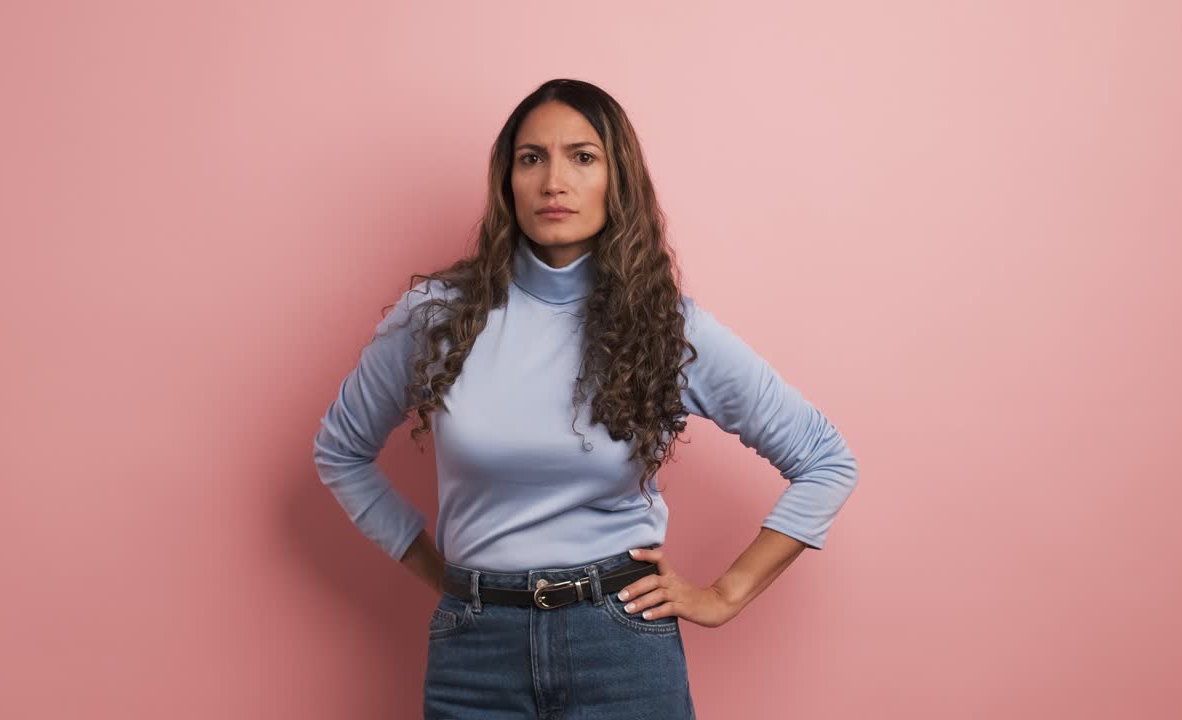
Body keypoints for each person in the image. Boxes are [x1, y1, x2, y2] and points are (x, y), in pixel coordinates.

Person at [313, 78, 859, 719]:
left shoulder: (667, 326)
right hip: (475, 654)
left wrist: (725, 594)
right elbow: (340, 452)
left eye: (582, 156)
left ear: (616, 178)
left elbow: (826, 459)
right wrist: (447, 578)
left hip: (621, 646)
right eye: (531, 157)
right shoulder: (436, 316)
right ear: (507, 181)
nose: (553, 182)